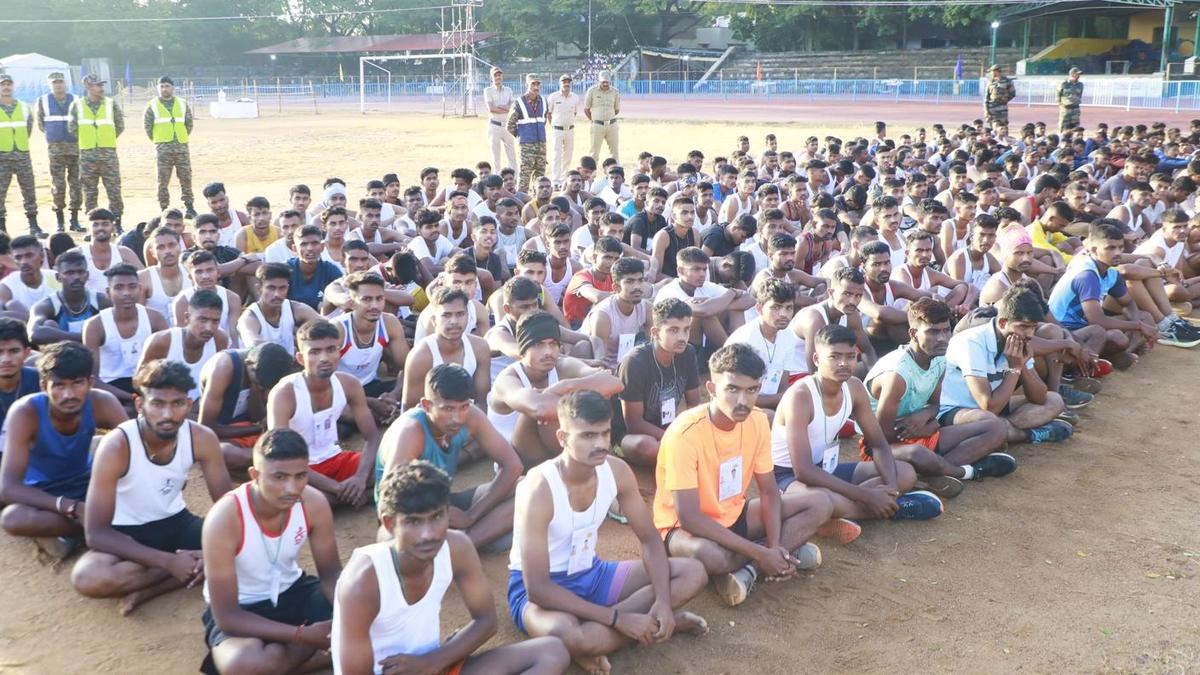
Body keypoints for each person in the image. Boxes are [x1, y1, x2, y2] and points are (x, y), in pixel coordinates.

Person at [509, 390, 708, 674]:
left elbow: (651, 540)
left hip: (593, 574)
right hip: (540, 593)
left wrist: (663, 602)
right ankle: (619, 634)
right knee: (572, 635)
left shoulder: (616, 471)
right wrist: (617, 619)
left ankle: (635, 628)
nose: (601, 444)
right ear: (563, 438)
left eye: (605, 433)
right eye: (588, 436)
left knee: (692, 572)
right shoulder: (539, 488)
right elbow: (538, 588)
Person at [333, 460, 569, 675]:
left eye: (436, 517)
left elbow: (486, 621)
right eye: (413, 522)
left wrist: (433, 661)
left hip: (434, 665)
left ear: (449, 514)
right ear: (390, 523)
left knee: (552, 651)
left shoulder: (457, 548)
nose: (428, 534)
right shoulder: (363, 581)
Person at [653, 343, 831, 607]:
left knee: (820, 502)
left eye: (752, 390)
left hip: (735, 515)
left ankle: (753, 569)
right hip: (682, 529)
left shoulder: (758, 420)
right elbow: (689, 518)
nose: (743, 401)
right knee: (712, 557)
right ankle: (784, 551)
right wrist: (760, 551)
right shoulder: (685, 433)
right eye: (732, 389)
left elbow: (769, 491)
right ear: (712, 389)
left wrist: (771, 545)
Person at [70, 360, 231, 613]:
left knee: (246, 543)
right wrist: (170, 562)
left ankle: (152, 588)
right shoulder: (117, 445)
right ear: (139, 404)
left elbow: (229, 508)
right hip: (127, 534)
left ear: (188, 405)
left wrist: (228, 542)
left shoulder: (201, 438)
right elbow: (96, 533)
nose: (167, 415)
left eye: (177, 404)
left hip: (177, 523)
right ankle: (202, 563)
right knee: (88, 577)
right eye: (157, 404)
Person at [771, 325, 943, 531]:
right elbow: (804, 471)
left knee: (905, 472)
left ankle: (845, 513)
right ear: (817, 359)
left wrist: (889, 487)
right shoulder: (800, 396)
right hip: (787, 478)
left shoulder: (854, 387)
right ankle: (891, 509)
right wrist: (867, 496)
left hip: (825, 468)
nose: (843, 363)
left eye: (850, 357)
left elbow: (878, 444)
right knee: (820, 499)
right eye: (834, 357)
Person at [200, 429, 342, 675]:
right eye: (279, 476)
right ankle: (327, 650)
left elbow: (331, 575)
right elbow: (227, 617)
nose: (291, 488)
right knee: (242, 664)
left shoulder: (314, 503)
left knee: (370, 612)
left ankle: (287, 661)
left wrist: (348, 611)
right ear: (255, 475)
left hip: (294, 591)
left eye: (300, 476)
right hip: (243, 607)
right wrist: (303, 635)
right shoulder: (225, 518)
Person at [864, 298, 1014, 488]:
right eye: (933, 332)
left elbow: (935, 405)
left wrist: (926, 416)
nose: (942, 338)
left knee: (997, 428)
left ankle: (933, 473)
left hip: (917, 433)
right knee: (917, 453)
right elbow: (879, 437)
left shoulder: (939, 360)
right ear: (913, 334)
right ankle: (967, 472)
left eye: (946, 330)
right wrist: (927, 428)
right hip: (882, 447)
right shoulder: (897, 375)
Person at [0, 342, 127, 556]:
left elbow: (138, 449)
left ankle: (75, 531)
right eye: (59, 385)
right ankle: (100, 524)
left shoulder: (102, 401)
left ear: (90, 382)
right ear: (43, 386)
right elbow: (8, 487)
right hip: (44, 493)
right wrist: (72, 508)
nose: (69, 394)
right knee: (13, 519)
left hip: (88, 483)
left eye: (77, 383)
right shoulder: (25, 412)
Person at [379, 364, 523, 551]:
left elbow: (513, 465)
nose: (457, 418)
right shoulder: (410, 431)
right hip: (411, 512)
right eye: (448, 409)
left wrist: (471, 515)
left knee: (525, 487)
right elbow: (390, 500)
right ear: (426, 405)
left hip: (443, 502)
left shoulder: (471, 416)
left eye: (463, 407)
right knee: (388, 538)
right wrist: (441, 516)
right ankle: (465, 544)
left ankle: (463, 546)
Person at [267, 319, 381, 508]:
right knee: (289, 493)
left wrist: (360, 478)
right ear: (300, 358)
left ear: (339, 352)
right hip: (299, 470)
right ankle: (359, 496)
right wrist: (337, 487)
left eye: (331, 349)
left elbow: (372, 437)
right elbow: (281, 457)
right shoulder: (285, 394)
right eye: (314, 351)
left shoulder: (349, 384)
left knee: (392, 466)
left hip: (335, 459)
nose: (324, 358)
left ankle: (343, 497)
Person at [940, 286, 1074, 444]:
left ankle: (998, 433)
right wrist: (1014, 369)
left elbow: (1039, 397)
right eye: (1023, 326)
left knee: (1054, 400)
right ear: (1003, 323)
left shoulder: (1019, 342)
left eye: (1033, 327)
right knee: (989, 420)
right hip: (955, 410)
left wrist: (1022, 366)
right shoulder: (971, 342)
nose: (1030, 334)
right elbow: (988, 406)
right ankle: (1026, 435)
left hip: (994, 408)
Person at [488, 310, 621, 469]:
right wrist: (572, 391)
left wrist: (566, 386)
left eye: (553, 344)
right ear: (523, 348)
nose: (548, 352)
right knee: (548, 414)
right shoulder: (508, 379)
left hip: (554, 449)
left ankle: (595, 470)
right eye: (539, 345)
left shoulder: (561, 366)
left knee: (584, 401)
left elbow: (614, 383)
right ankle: (593, 470)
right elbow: (541, 409)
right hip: (518, 461)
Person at [616, 298, 702, 468]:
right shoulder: (635, 362)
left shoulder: (688, 353)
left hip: (667, 428)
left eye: (686, 330)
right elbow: (633, 423)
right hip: (629, 436)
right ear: (654, 332)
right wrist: (676, 438)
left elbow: (694, 404)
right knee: (648, 447)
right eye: (673, 330)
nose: (682, 337)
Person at [199, 343, 297, 471]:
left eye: (265, 387)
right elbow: (206, 428)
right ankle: (274, 456)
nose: (263, 388)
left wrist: (255, 390)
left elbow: (257, 416)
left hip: (249, 430)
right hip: (223, 433)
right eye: (259, 384)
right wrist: (256, 429)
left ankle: (274, 456)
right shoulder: (223, 367)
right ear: (249, 364)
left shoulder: (271, 364)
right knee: (229, 455)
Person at [83, 264, 168, 408]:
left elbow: (168, 364)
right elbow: (93, 380)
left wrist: (148, 394)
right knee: (128, 411)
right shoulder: (95, 326)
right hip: (110, 387)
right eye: (119, 288)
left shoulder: (155, 318)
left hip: (148, 383)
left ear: (140, 289)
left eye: (132, 286)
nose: (126, 292)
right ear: (108, 292)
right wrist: (133, 398)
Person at [402, 287, 491, 411]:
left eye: (460, 314)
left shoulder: (480, 348)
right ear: (434, 320)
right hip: (429, 422)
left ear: (468, 316)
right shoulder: (420, 356)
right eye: (446, 315)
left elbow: (481, 402)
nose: (454, 321)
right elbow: (410, 411)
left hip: (468, 417)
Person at [334, 271, 410, 410]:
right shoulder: (338, 329)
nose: (374, 305)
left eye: (379, 299)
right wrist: (369, 403)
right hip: (339, 392)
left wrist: (393, 395)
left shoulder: (389, 323)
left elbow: (408, 367)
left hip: (371, 386)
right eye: (367, 299)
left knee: (420, 384)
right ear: (352, 301)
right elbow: (322, 382)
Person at [726, 277, 803, 411]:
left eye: (789, 308)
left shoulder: (788, 336)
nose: (784, 314)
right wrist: (783, 398)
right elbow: (734, 395)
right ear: (760, 309)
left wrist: (783, 400)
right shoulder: (745, 340)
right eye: (776, 307)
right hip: (739, 409)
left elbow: (782, 386)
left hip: (770, 406)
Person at [138, 289, 229, 402]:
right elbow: (139, 382)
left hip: (202, 406)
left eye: (215, 321)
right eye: (202, 320)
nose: (209, 328)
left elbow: (220, 383)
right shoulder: (161, 341)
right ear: (187, 318)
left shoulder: (220, 339)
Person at [68, 74, 124, 227]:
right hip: (87, 155)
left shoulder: (110, 104)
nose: (101, 88)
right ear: (88, 87)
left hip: (108, 155)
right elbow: (72, 128)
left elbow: (120, 126)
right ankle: (93, 225)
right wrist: (88, 139)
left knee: (114, 190)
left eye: (101, 85)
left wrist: (107, 139)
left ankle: (117, 224)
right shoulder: (77, 105)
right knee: (90, 192)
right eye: (97, 85)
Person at [583, 257, 652, 371]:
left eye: (640, 280)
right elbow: (600, 361)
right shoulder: (602, 316)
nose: (637, 286)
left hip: (629, 366)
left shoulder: (646, 308)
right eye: (629, 281)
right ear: (616, 287)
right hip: (601, 368)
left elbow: (653, 346)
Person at [28, 250, 109, 346]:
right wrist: (88, 337)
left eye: (80, 272)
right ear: (58, 277)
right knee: (49, 324)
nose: (76, 277)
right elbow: (34, 334)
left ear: (87, 275)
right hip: (63, 357)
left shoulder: (101, 300)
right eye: (70, 273)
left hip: (97, 354)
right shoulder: (46, 305)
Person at [35, 71, 84, 234]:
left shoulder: (76, 100)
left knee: (76, 184)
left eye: (61, 82)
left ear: (66, 83)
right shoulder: (42, 101)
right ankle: (60, 221)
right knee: (58, 185)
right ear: (50, 84)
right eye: (55, 82)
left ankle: (74, 219)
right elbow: (41, 124)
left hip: (75, 148)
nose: (58, 85)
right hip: (55, 149)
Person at [237, 262, 320, 354]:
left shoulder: (297, 309)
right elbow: (253, 343)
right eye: (271, 288)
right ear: (259, 289)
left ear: (287, 288)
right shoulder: (249, 318)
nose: (277, 294)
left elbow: (329, 326)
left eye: (282, 288)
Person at [143, 76, 194, 215]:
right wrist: (159, 139)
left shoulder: (182, 103)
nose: (165, 89)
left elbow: (188, 124)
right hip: (163, 148)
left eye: (167, 86)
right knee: (162, 180)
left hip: (181, 147)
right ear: (158, 88)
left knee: (186, 177)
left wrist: (181, 137)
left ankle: (189, 206)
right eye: (162, 86)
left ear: (173, 88)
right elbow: (147, 126)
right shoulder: (152, 105)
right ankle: (164, 208)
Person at [0, 69, 40, 236]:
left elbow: (28, 129)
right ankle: (2, 228)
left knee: (29, 191)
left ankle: (33, 224)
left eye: (9, 84)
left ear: (13, 86)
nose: (6, 87)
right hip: (2, 157)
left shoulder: (24, 107)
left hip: (22, 155)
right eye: (3, 85)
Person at [0, 318, 38, 455]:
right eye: (0, 352)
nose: (6, 359)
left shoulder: (41, 383)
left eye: (14, 351)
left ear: (27, 353)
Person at [140, 227, 191, 326]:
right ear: (152, 252)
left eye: (171, 245)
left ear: (180, 246)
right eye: (161, 247)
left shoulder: (191, 273)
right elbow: (139, 318)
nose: (167, 251)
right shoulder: (143, 279)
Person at [288, 225, 344, 310]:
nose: (310, 248)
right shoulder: (285, 270)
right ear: (294, 249)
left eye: (314, 243)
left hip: (322, 320)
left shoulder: (330, 269)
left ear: (322, 247)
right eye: (304, 244)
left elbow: (344, 293)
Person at [507, 74, 548, 193]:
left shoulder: (544, 101)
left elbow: (543, 120)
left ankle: (539, 201)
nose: (536, 87)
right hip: (526, 145)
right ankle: (522, 201)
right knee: (525, 175)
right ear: (527, 85)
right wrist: (521, 135)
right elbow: (510, 125)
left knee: (540, 175)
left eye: (538, 84)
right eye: (533, 84)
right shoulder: (519, 102)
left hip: (541, 144)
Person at [0, 234, 55, 317]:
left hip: (58, 326)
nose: (23, 262)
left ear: (42, 256)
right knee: (13, 305)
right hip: (23, 328)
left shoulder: (55, 277)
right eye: (18, 257)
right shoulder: (7, 286)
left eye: (29, 255)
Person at [484, 67, 518, 175]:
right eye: (495, 75)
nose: (498, 77)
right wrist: (505, 107)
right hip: (494, 126)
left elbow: (512, 107)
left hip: (507, 126)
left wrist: (501, 107)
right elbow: (491, 109)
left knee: (511, 155)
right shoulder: (488, 91)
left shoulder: (508, 90)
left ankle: (514, 178)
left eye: (499, 75)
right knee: (496, 156)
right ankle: (497, 179)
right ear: (491, 77)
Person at [585, 71, 621, 164]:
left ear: (610, 81)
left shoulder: (615, 92)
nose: (605, 84)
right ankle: (591, 175)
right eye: (603, 82)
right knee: (594, 152)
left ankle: (616, 173)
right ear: (599, 81)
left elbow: (616, 110)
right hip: (597, 126)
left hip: (612, 125)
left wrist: (608, 117)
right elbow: (586, 109)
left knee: (615, 152)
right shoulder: (592, 91)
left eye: (607, 82)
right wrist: (594, 120)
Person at [984, 65, 1016, 129]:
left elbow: (1012, 93)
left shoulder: (1007, 81)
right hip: (991, 107)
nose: (990, 73)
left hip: (1002, 107)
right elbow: (986, 97)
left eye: (991, 71)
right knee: (991, 126)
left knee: (1003, 126)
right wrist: (986, 110)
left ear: (996, 71)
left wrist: (1004, 100)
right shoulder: (990, 82)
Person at [1057, 67, 1084, 134]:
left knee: (1075, 127)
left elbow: (1080, 95)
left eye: (1079, 74)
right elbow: (1058, 95)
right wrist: (1060, 105)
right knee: (1063, 126)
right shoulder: (1064, 83)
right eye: (1077, 74)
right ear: (1072, 74)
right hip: (1066, 109)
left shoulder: (1080, 85)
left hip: (1076, 108)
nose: (1079, 76)